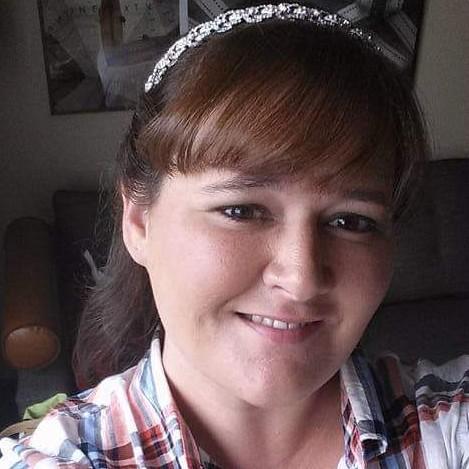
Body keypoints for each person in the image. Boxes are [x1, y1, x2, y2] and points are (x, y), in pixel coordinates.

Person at [1, 3, 468, 468]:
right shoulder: (66, 457)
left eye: (351, 221)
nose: (302, 279)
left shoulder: (449, 427)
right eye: (241, 211)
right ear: (139, 221)